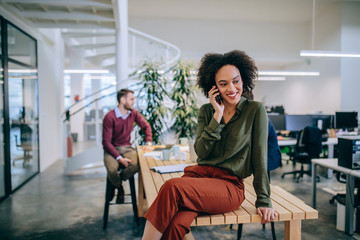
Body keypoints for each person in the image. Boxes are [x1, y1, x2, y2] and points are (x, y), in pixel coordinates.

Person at [142, 50, 277, 240]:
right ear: (214, 87)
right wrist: (217, 117)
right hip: (200, 177)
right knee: (174, 224)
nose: (232, 88)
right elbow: (201, 152)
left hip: (229, 186)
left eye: (236, 81)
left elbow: (260, 158)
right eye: (223, 84)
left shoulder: (255, 110)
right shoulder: (207, 111)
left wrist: (264, 199)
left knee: (171, 188)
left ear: (243, 80)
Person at [102, 88, 152, 203]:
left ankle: (114, 184)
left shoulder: (133, 113)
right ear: (122, 100)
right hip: (111, 149)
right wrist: (119, 159)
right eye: (131, 99)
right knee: (112, 170)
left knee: (136, 165)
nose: (134, 102)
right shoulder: (109, 117)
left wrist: (148, 142)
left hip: (127, 147)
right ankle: (120, 188)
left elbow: (146, 126)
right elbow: (106, 143)